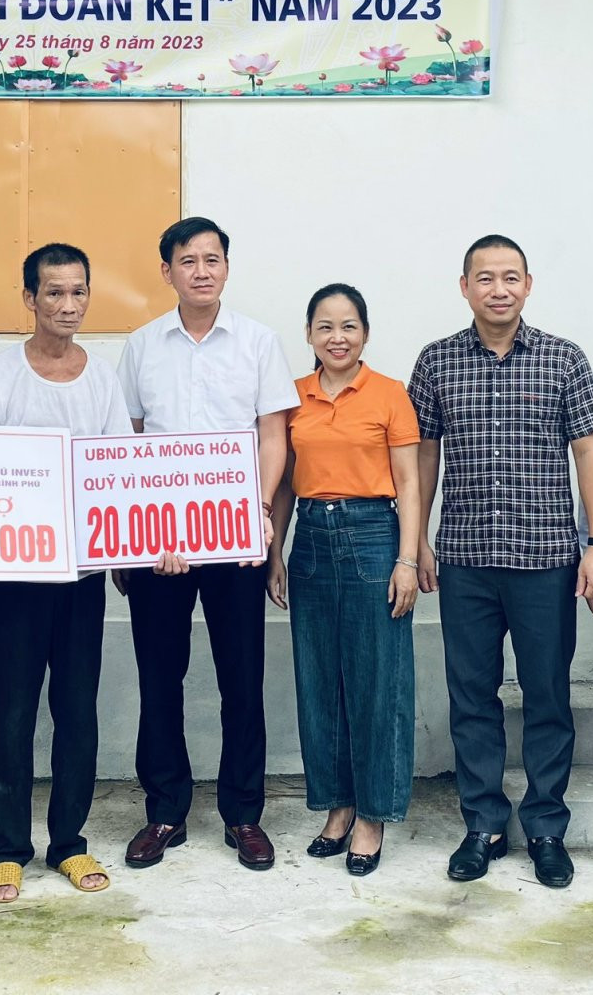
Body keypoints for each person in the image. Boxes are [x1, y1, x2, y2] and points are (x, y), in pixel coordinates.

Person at [409, 233, 593, 890]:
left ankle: (547, 827)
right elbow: (423, 455)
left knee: (547, 695)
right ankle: (484, 825)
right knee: (472, 696)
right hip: (465, 559)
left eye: (510, 278)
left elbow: (589, 452)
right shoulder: (437, 361)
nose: (498, 289)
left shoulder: (562, 359)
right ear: (464, 287)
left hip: (545, 559)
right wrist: (418, 541)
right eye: (485, 278)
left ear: (528, 285)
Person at [117, 216, 296, 872]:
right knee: (160, 676)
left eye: (212, 259)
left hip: (235, 535)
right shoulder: (141, 345)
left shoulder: (257, 342)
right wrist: (130, 534)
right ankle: (165, 811)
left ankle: (243, 814)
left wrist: (258, 510)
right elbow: (128, 438)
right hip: (158, 539)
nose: (201, 270)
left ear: (226, 267)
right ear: (167, 271)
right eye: (187, 260)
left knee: (241, 679)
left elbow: (273, 436)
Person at [0, 243, 130, 903]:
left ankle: (69, 844)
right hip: (10, 578)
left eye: (78, 291)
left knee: (77, 711)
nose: (68, 304)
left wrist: (141, 546)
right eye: (54, 292)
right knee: (12, 713)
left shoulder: (102, 379)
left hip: (81, 576)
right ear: (29, 298)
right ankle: (8, 850)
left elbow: (119, 471)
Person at [265, 283, 422, 877]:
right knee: (319, 681)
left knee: (377, 681)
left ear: (366, 334)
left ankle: (373, 815)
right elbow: (284, 482)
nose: (338, 337)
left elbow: (409, 484)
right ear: (309, 334)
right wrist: (275, 552)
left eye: (349, 326)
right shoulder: (292, 397)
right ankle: (338, 805)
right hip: (311, 540)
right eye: (325, 327)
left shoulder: (389, 393)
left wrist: (407, 560)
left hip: (373, 537)